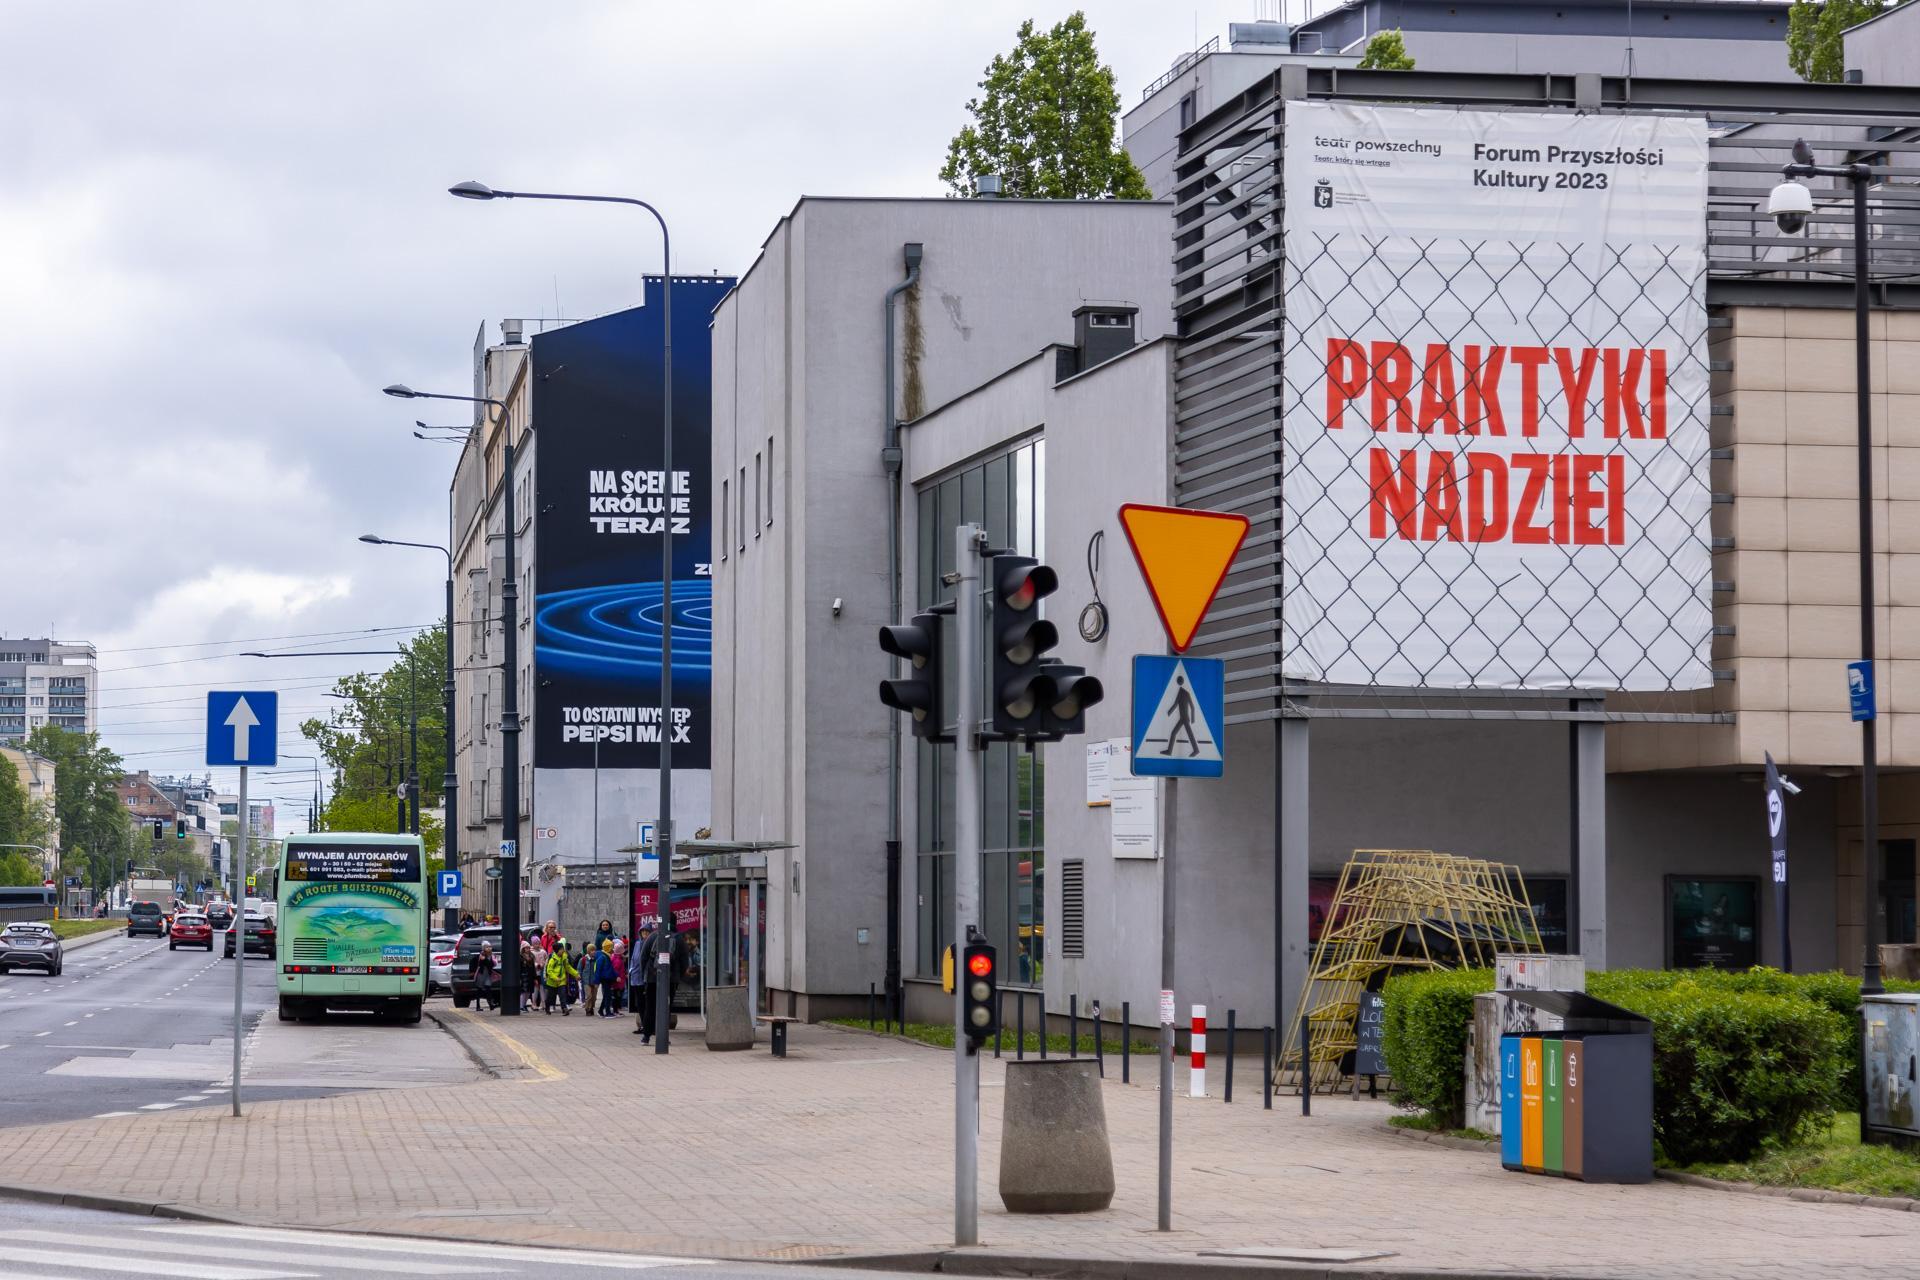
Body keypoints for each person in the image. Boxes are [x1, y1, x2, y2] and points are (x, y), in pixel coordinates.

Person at [544, 939, 576, 1014]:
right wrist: (555, 978)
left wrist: (576, 974)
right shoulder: (553, 959)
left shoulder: (564, 958)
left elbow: (568, 967)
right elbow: (549, 971)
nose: (563, 951)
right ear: (557, 951)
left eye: (563, 949)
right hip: (552, 982)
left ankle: (564, 1009)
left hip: (561, 980)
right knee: (550, 997)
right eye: (561, 949)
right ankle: (547, 1006)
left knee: (562, 995)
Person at [473, 941, 499, 1011]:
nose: (489, 948)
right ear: (484, 948)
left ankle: (491, 1004)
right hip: (481, 973)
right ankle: (478, 1006)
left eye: (490, 947)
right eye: (487, 947)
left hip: (488, 974)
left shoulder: (492, 955)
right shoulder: (481, 955)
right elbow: (484, 963)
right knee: (479, 989)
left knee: (488, 988)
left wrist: (488, 960)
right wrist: (486, 960)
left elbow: (492, 964)